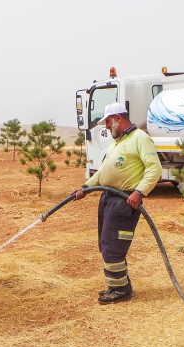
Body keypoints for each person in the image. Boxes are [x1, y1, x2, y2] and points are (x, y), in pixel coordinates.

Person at [71, 102, 162, 305]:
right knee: (106, 244)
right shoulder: (117, 142)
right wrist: (85, 187)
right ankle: (118, 284)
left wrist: (139, 192)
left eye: (108, 122)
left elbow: (154, 169)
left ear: (118, 118)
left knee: (113, 246)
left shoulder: (140, 139)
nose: (105, 126)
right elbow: (103, 173)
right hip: (108, 199)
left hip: (124, 202)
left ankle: (120, 290)